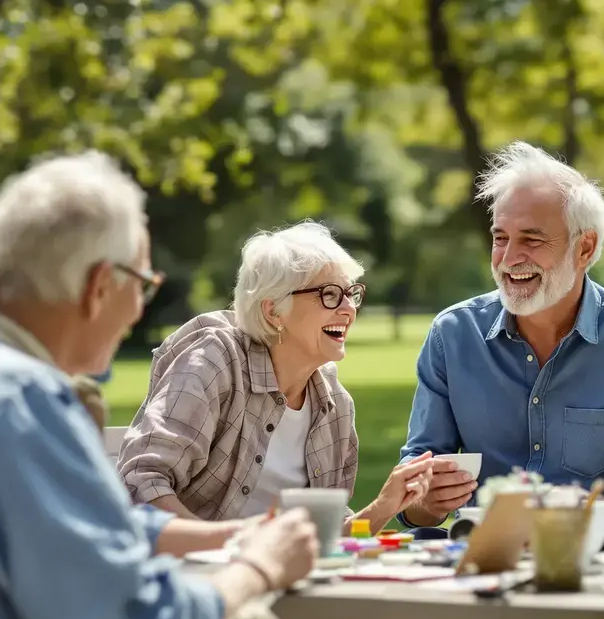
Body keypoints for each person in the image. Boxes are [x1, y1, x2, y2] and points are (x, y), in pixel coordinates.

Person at [0, 152, 320, 619]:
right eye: (144, 285)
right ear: (100, 287)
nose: (137, 310)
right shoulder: (19, 402)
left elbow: (71, 534)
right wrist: (259, 567)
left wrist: (231, 536)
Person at [397, 141, 604, 530]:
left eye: (532, 240)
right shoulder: (452, 335)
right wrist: (425, 498)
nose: (509, 257)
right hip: (482, 562)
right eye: (501, 238)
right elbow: (415, 502)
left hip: (599, 564)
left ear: (584, 248)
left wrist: (579, 519)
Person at [117, 221, 434, 534]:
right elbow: (141, 482)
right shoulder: (215, 363)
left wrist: (383, 507)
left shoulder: (335, 404)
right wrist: (227, 547)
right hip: (197, 574)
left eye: (351, 293)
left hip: (283, 575)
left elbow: (327, 538)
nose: (348, 308)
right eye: (329, 294)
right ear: (273, 311)